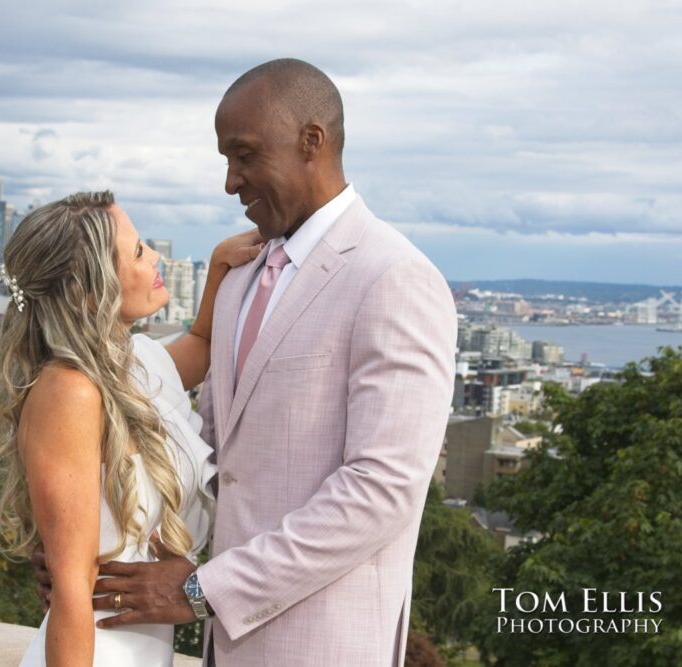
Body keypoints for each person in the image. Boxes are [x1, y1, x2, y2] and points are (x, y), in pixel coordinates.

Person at [89, 59, 458, 666]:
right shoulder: (238, 279)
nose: (230, 182)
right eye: (225, 161)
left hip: (327, 646)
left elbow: (382, 490)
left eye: (244, 155)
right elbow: (207, 454)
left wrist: (200, 590)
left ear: (311, 141)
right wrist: (95, 548)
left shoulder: (393, 277)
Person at [0, 190, 262, 666]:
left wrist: (218, 266)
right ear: (90, 290)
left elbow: (201, 345)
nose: (154, 255)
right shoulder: (67, 392)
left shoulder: (130, 360)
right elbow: (72, 586)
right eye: (137, 251)